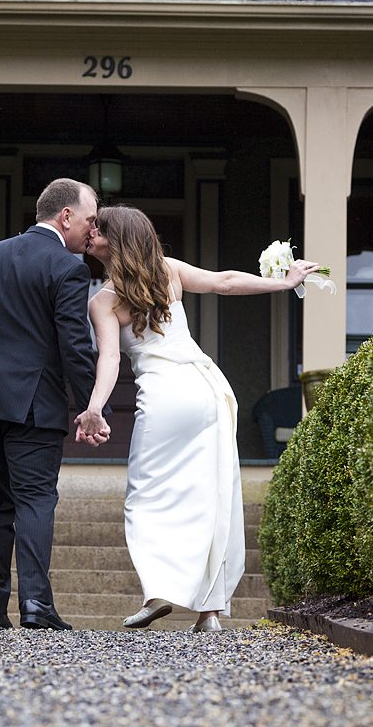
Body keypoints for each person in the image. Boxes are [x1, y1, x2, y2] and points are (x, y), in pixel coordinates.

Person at [75, 205, 317, 632]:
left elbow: (110, 359)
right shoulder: (167, 270)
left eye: (97, 229)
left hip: (166, 397)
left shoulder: (104, 301)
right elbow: (224, 282)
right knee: (212, 496)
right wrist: (283, 283)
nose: (89, 233)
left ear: (115, 239)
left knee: (144, 498)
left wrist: (95, 407)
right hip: (207, 388)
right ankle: (209, 612)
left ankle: (157, 592)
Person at [0, 178, 111, 632]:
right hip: (33, 405)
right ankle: (35, 605)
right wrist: (92, 404)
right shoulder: (68, 268)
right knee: (34, 500)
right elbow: (74, 344)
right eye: (90, 220)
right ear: (65, 216)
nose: (92, 233)